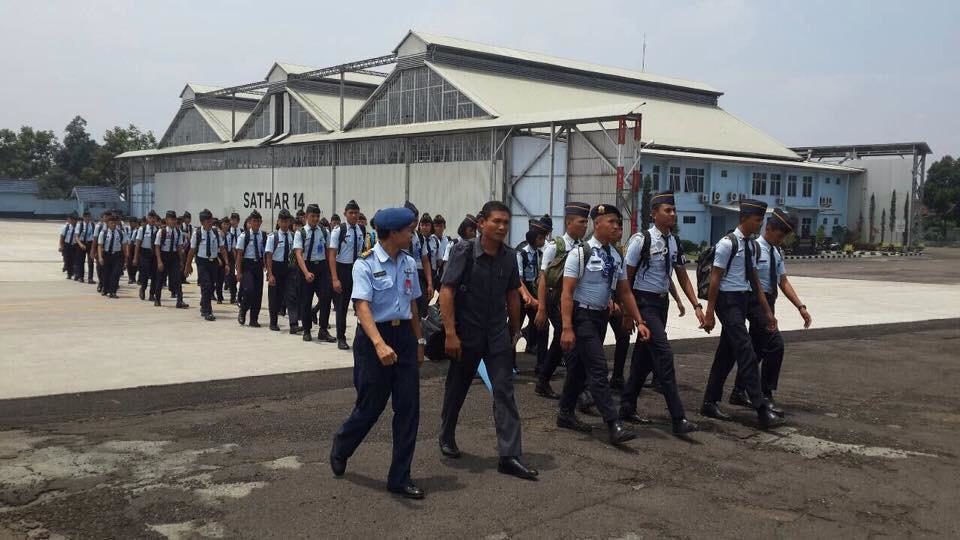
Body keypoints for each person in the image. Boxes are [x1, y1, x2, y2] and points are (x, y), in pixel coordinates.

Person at [330, 207, 426, 500]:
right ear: (393, 233)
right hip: (375, 339)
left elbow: (412, 305)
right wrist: (379, 343)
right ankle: (342, 445)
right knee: (370, 407)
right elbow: (362, 307)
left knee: (409, 409)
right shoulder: (365, 264)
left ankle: (399, 477)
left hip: (405, 340)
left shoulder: (409, 263)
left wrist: (419, 341)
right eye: (408, 230)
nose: (412, 234)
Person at [438, 200, 537, 481]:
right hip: (466, 335)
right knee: (456, 389)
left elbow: (511, 294)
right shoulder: (464, 251)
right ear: (481, 223)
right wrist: (450, 333)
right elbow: (447, 291)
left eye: (506, 222)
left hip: (496, 335)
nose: (502, 227)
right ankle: (446, 434)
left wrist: (515, 328)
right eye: (496, 221)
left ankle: (509, 455)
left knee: (504, 390)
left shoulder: (508, 256)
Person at [555, 204, 650, 445]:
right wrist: (566, 327)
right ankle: (613, 423)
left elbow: (625, 291)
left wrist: (639, 320)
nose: (617, 226)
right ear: (597, 224)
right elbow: (567, 293)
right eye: (611, 222)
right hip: (582, 316)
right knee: (598, 368)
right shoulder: (580, 253)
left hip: (600, 318)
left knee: (577, 369)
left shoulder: (616, 255)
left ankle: (565, 413)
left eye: (619, 223)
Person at [618, 192, 701, 436]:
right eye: (667, 210)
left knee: (643, 359)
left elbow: (682, 276)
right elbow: (626, 278)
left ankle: (626, 406)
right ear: (654, 214)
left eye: (674, 211)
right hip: (643, 304)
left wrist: (696, 305)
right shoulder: (640, 240)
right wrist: (627, 313)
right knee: (663, 355)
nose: (672, 214)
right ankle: (678, 418)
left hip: (661, 304)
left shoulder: (673, 241)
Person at [701, 199, 784, 429]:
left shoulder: (750, 245)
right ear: (744, 218)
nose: (759, 224)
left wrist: (767, 312)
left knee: (726, 354)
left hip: (743, 299)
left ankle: (709, 401)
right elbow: (715, 279)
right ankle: (761, 408)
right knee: (745, 350)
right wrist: (709, 313)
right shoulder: (727, 244)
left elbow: (755, 281)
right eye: (757, 220)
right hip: (727, 302)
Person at [728, 208, 812, 417]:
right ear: (770, 228)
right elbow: (752, 281)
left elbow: (783, 281)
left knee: (756, 350)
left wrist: (800, 307)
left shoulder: (775, 251)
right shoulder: (755, 248)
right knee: (775, 345)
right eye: (780, 235)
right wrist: (765, 310)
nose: (782, 239)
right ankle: (765, 394)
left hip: (769, 302)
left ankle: (739, 391)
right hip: (756, 302)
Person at [533, 202, 590, 399]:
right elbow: (543, 279)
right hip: (555, 300)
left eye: (587, 221)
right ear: (569, 223)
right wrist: (541, 308)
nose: (585, 225)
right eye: (581, 221)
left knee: (559, 343)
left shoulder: (584, 248)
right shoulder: (554, 247)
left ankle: (542, 381)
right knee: (570, 345)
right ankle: (580, 392)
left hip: (573, 301)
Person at [294, 204, 336, 343]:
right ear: (306, 216)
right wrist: (306, 272)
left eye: (317, 216)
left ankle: (323, 329)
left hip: (322, 268)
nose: (315, 219)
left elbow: (329, 252)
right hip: (306, 267)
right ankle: (306, 330)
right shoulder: (301, 233)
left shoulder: (324, 232)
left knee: (325, 298)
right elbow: (298, 254)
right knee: (306, 301)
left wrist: (331, 273)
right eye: (312, 216)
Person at [328, 200, 365, 350]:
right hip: (342, 270)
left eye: (356, 213)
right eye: (351, 213)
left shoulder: (361, 229)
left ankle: (362, 336)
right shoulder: (339, 230)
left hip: (357, 269)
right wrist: (335, 278)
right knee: (342, 307)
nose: (354, 216)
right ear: (345, 214)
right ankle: (341, 337)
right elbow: (332, 255)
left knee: (361, 305)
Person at [517, 216, 552, 361]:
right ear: (535, 238)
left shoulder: (539, 253)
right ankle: (510, 364)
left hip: (534, 296)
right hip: (521, 296)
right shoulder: (521, 252)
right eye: (541, 239)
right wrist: (528, 298)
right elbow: (518, 280)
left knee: (543, 325)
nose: (543, 241)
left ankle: (542, 363)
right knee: (514, 329)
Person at [185, 209, 228, 321]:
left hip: (213, 262)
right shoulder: (197, 233)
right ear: (202, 222)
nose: (210, 223)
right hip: (202, 262)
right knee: (207, 285)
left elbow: (222, 249)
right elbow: (192, 250)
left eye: (211, 220)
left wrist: (226, 263)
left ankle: (204, 305)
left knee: (210, 286)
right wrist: (188, 265)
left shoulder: (216, 233)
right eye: (208, 221)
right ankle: (208, 311)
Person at [236, 210, 267, 328]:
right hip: (247, 266)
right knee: (249, 290)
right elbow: (239, 255)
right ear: (250, 222)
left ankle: (254, 319)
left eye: (258, 221)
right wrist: (238, 272)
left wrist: (267, 267)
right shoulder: (244, 236)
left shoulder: (263, 236)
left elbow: (266, 253)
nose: (256, 224)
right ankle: (243, 310)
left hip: (258, 265)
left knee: (258, 294)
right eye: (254, 221)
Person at [153, 210, 189, 309]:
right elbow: (157, 246)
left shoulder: (178, 232)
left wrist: (181, 261)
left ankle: (180, 300)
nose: (173, 221)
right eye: (171, 219)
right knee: (160, 278)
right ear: (167, 220)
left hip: (174, 257)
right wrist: (159, 261)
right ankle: (157, 299)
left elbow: (179, 247)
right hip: (164, 255)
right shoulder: (162, 231)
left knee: (177, 279)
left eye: (174, 219)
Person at [265, 209, 295, 332]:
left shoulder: (293, 236)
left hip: (288, 268)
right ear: (278, 221)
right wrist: (270, 274)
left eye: (287, 221)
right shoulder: (273, 237)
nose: (284, 224)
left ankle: (293, 324)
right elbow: (269, 256)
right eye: (282, 221)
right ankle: (273, 322)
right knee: (275, 298)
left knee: (291, 296)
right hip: (276, 268)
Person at [404, 202, 434, 317]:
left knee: (421, 303)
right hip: (404, 275)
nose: (414, 224)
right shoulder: (397, 236)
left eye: (416, 221)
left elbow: (425, 261)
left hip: (418, 275)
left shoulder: (419, 237)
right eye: (412, 221)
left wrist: (430, 283)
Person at [97, 214, 128, 299]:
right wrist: (100, 257)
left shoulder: (121, 233)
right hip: (106, 255)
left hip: (117, 256)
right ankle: (105, 288)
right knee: (106, 274)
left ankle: (113, 292)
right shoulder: (103, 233)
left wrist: (126, 258)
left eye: (114, 223)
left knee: (115, 274)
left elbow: (124, 246)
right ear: (107, 223)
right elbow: (100, 246)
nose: (113, 224)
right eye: (111, 223)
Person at [132, 211, 159, 302]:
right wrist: (135, 257)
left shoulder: (158, 230)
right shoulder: (142, 229)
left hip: (154, 254)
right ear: (147, 219)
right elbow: (137, 244)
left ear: (155, 219)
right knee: (145, 273)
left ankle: (152, 294)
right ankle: (143, 289)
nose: (152, 220)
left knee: (154, 275)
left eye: (153, 218)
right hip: (144, 253)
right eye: (150, 218)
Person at [73, 211, 96, 284]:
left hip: (90, 243)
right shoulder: (79, 225)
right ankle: (81, 277)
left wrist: (93, 247)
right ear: (83, 217)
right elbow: (76, 236)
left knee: (91, 261)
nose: (87, 218)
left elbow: (94, 237)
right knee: (80, 261)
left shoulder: (92, 225)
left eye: (89, 216)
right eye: (86, 217)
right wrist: (80, 244)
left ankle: (90, 278)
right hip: (81, 243)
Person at [59, 212, 79, 280]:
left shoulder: (78, 227)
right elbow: (62, 237)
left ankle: (76, 274)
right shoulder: (66, 227)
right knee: (68, 260)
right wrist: (61, 246)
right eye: (72, 219)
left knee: (76, 260)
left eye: (75, 220)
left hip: (75, 245)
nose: (73, 221)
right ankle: (69, 274)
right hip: (67, 245)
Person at [430, 215, 448, 286]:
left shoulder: (446, 240)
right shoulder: (431, 240)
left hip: (442, 272)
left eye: (441, 226)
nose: (439, 229)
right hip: (433, 271)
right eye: (436, 226)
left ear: (444, 227)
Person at [180, 211, 194, 284]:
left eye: (189, 218)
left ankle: (184, 278)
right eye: (187, 218)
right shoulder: (181, 226)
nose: (188, 220)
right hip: (182, 247)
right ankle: (180, 277)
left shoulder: (191, 227)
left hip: (188, 247)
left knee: (186, 262)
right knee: (181, 262)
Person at [125, 217, 139, 284]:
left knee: (135, 262)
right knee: (128, 262)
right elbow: (126, 237)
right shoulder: (127, 229)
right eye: (131, 222)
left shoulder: (138, 230)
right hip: (128, 245)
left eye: (134, 223)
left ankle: (133, 276)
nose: (132, 224)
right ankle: (130, 277)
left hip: (135, 246)